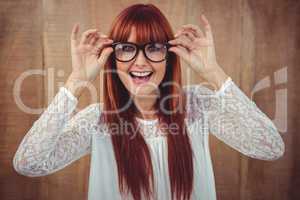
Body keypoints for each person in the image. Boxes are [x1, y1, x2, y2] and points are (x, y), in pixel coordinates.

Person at [13, 3, 285, 200]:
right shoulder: (99, 121)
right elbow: (29, 163)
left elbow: (270, 146)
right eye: (127, 49)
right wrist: (75, 81)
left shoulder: (197, 106)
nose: (140, 62)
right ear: (111, 57)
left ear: (170, 56)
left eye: (154, 47)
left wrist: (213, 71)